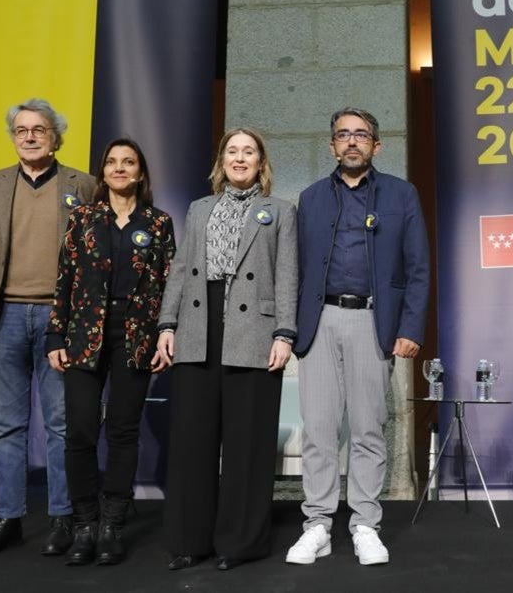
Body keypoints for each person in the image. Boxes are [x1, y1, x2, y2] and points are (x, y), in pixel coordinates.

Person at [285, 107, 430, 566]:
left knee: (368, 428)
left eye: (361, 135)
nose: (351, 142)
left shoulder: (401, 195)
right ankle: (318, 526)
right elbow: (294, 271)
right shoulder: (309, 198)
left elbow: (418, 269)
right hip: (320, 322)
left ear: (376, 145)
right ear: (332, 145)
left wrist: (409, 328)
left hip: (374, 323)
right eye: (343, 135)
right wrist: (289, 331)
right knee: (320, 430)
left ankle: (365, 523)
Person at [155, 128, 298, 572]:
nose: (240, 158)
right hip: (198, 328)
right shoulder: (199, 209)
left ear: (261, 162)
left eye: (249, 152)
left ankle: (238, 543)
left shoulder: (279, 211)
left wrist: (285, 333)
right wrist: (168, 323)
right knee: (192, 443)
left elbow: (288, 274)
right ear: (222, 161)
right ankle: (188, 541)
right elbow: (180, 269)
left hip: (253, 332)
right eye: (232, 151)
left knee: (247, 444)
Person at [0, 98, 96, 557]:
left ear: (55, 136)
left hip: (60, 321)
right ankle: (9, 518)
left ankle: (62, 518)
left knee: (61, 425)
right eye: (22, 130)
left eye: (39, 129)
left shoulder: (84, 185)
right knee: (6, 426)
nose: (30, 136)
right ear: (14, 137)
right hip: (3, 318)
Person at [45, 138, 176, 565]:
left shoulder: (158, 223)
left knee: (123, 431)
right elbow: (64, 280)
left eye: (129, 162)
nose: (120, 169)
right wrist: (55, 336)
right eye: (112, 163)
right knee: (80, 430)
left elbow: (169, 284)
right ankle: (84, 524)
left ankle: (111, 526)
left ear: (140, 172)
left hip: (135, 336)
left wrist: (165, 334)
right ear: (102, 173)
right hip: (84, 334)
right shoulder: (81, 219)